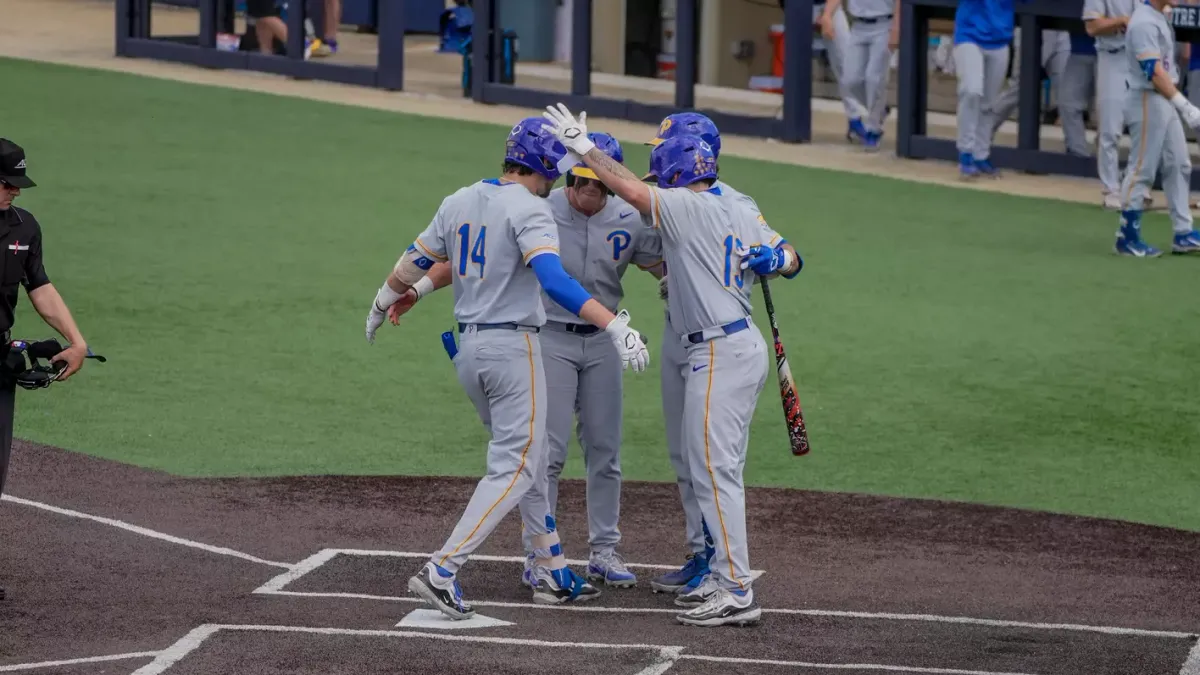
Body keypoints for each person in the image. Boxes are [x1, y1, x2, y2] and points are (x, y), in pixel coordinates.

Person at [364, 118, 650, 620]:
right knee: (518, 466)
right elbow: (555, 282)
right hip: (513, 350)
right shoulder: (532, 209)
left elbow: (417, 258)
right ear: (542, 162)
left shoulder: (461, 198)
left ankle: (550, 567)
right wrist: (614, 326)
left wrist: (393, 294)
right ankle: (443, 570)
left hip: (471, 352)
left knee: (532, 460)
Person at [543, 103, 802, 627]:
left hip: (719, 351)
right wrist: (777, 260)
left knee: (715, 472)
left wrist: (584, 146)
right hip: (730, 346)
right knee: (710, 469)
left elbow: (635, 192)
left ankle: (735, 587)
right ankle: (719, 576)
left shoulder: (686, 205)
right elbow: (791, 255)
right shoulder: (736, 202)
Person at [636, 113, 800, 612]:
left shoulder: (733, 204)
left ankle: (728, 577)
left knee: (714, 463)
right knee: (689, 457)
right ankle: (703, 556)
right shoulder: (681, 200)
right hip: (683, 331)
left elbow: (790, 255)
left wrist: (779, 259)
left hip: (719, 338)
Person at [0, 139, 91, 599]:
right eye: (7, 184)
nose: (15, 192)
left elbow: (40, 288)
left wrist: (76, 342)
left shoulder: (24, 227)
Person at [1112, 0, 1200, 256]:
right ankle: (1126, 237)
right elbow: (1154, 72)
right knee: (1142, 168)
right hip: (1146, 97)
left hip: (1163, 98)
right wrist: (1185, 106)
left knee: (1179, 163)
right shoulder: (1143, 22)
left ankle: (1183, 232)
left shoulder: (1158, 15)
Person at [952, 0, 1029, 179]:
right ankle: (966, 152)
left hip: (1000, 39)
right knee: (971, 90)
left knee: (988, 104)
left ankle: (981, 155)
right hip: (968, 35)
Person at [984, 31, 1091, 160]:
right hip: (1034, 31)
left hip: (1062, 31)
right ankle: (981, 133)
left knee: (1066, 95)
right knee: (1020, 89)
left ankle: (1077, 152)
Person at [821, 0, 896, 150]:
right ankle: (878, 110)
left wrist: (897, 26)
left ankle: (873, 130)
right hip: (859, 26)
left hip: (884, 24)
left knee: (874, 79)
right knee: (850, 81)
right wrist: (827, 15)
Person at [1084, 0, 1137, 208]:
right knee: (1110, 128)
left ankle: (1135, 185)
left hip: (1143, 59)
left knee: (1145, 127)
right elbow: (1092, 26)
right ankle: (1111, 188)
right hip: (1113, 56)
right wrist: (1121, 21)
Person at [816, 0, 871, 143]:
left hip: (828, 6)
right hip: (798, 7)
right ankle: (790, 122)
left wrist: (826, 15)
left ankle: (856, 119)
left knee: (848, 64)